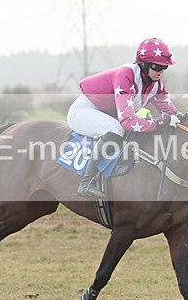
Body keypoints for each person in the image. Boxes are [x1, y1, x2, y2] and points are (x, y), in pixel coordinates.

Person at [67, 37, 182, 198]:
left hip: (106, 113)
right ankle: (87, 182)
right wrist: (161, 123)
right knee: (116, 129)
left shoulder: (156, 84)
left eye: (164, 67)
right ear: (143, 64)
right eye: (157, 66)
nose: (160, 71)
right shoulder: (126, 74)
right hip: (84, 111)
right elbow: (127, 121)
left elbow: (172, 114)